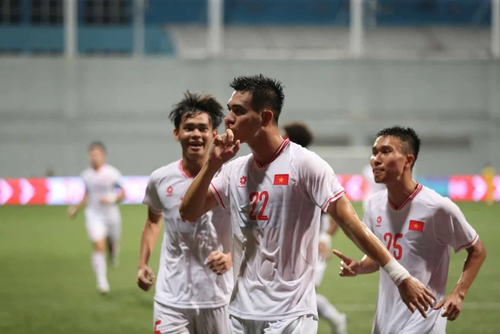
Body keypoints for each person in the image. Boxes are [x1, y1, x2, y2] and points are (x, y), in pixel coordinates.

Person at [180, 75, 436, 333]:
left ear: (266, 118)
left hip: (291, 316)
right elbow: (188, 211)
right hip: (239, 315)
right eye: (229, 110)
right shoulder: (233, 170)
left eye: (238, 111)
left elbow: (350, 222)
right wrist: (212, 164)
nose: (228, 119)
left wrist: (399, 275)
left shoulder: (305, 165)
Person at [333, 126, 487, 334]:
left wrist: (458, 293)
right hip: (385, 320)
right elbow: (387, 255)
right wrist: (360, 266)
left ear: (408, 160)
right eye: (374, 152)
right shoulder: (373, 205)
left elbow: (477, 250)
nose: (376, 159)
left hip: (424, 320)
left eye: (385, 151)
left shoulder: (437, 207)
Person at [137, 91, 233, 334]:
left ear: (214, 134)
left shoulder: (232, 178)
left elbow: (254, 231)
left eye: (202, 128)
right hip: (171, 298)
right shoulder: (160, 178)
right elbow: (152, 222)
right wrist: (142, 263)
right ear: (176, 133)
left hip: (218, 297)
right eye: (188, 128)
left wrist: (232, 258)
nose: (196, 135)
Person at [282, 122, 347, 334]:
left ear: (290, 140)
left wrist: (324, 239)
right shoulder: (283, 167)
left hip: (313, 246)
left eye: (283, 135)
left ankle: (334, 319)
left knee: (302, 293)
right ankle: (335, 319)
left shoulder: (311, 168)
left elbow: (338, 212)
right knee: (293, 294)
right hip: (289, 245)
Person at [68, 142, 125, 294]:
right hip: (94, 215)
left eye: (97, 154)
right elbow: (86, 194)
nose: (94, 157)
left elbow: (123, 194)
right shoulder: (86, 175)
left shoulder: (112, 173)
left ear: (103, 155)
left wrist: (112, 198)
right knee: (98, 245)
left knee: (111, 244)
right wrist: (75, 209)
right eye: (92, 154)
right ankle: (102, 282)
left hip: (111, 214)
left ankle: (113, 253)